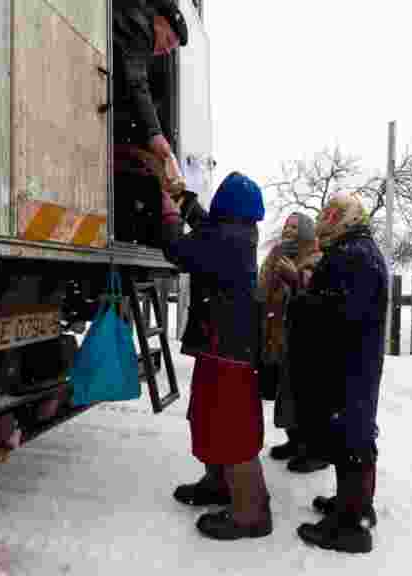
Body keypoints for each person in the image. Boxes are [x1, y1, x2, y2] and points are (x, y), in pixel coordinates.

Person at [158, 172, 272, 540]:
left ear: (226, 206)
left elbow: (180, 250)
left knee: (232, 429)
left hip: (228, 351)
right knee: (209, 417)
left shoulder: (227, 240)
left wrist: (169, 215)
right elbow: (206, 226)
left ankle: (250, 514)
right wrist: (186, 200)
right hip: (224, 346)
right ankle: (219, 484)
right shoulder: (236, 233)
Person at [290, 194, 387, 554]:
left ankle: (348, 528)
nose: (326, 219)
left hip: (345, 363)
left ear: (348, 217)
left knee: (350, 440)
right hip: (355, 361)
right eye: (325, 212)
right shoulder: (357, 249)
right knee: (357, 435)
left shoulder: (353, 255)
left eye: (333, 213)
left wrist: (300, 291)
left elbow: (335, 313)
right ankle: (357, 507)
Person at [112, 0, 189, 247]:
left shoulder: (130, 22)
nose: (166, 51)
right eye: (168, 41)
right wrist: (155, 134)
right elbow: (137, 84)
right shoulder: (139, 28)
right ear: (160, 21)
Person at [256, 213, 328, 474]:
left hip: (306, 338)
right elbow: (262, 289)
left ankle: (314, 450)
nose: (288, 230)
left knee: (305, 395)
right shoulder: (277, 253)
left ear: (307, 231)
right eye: (286, 226)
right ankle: (295, 441)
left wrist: (293, 276)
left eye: (295, 227)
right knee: (285, 392)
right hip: (279, 333)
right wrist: (274, 264)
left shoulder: (316, 257)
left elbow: (313, 291)